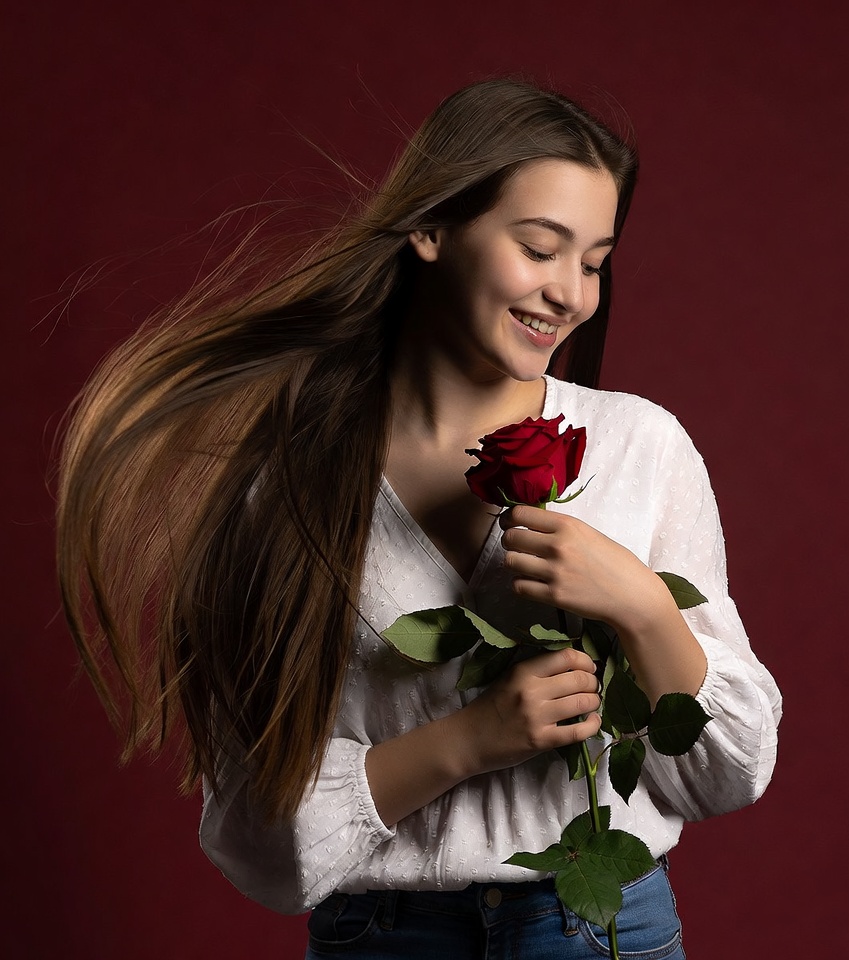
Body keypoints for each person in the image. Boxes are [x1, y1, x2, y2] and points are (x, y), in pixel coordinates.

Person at [57, 78, 782, 958]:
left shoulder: (643, 448)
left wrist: (642, 606)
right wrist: (472, 739)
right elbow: (262, 838)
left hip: (600, 931)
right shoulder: (290, 480)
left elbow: (728, 774)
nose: (569, 294)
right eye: (540, 247)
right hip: (385, 938)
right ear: (432, 230)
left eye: (593, 261)